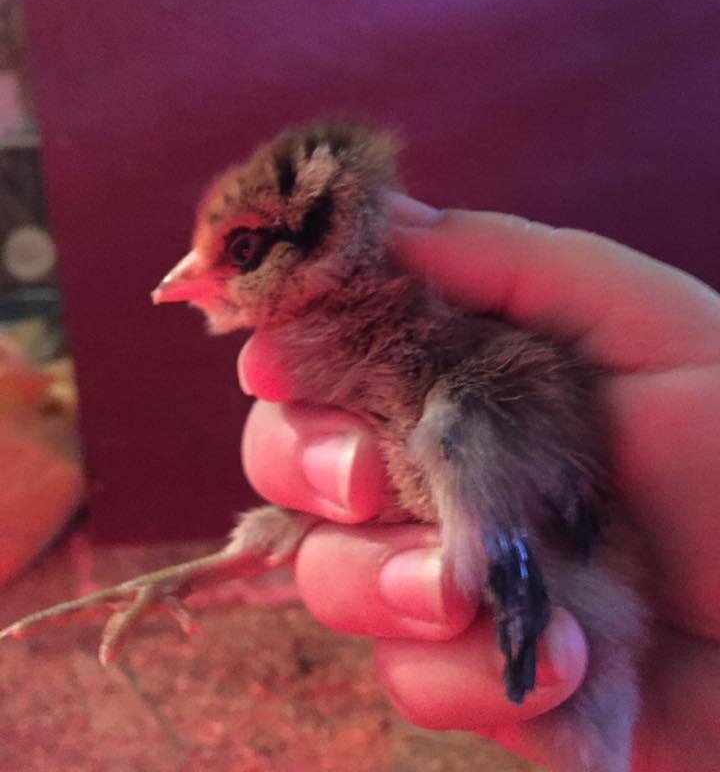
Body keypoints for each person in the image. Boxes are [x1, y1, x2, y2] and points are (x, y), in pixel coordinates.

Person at [238, 195, 720, 772]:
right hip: (577, 612)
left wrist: (515, 581)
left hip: (565, 583)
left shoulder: (464, 378)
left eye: (242, 251)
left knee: (459, 426)